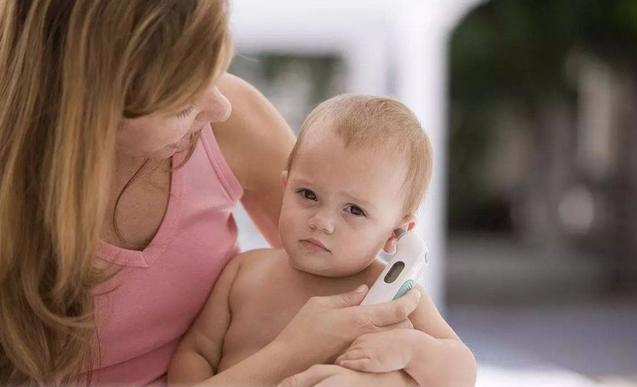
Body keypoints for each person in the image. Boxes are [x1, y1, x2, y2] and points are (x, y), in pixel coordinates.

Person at [0, 1, 432, 385]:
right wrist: (289, 354)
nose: (220, 106)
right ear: (94, 104)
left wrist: (388, 370)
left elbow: (342, 258)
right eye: (185, 101)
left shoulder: (233, 122)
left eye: (216, 70)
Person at [168, 95, 477, 387]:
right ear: (285, 186)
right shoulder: (243, 272)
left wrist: (413, 350)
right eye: (308, 195)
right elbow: (196, 351)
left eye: (354, 210)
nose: (322, 222)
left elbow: (462, 371)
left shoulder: (394, 298)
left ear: (395, 233)